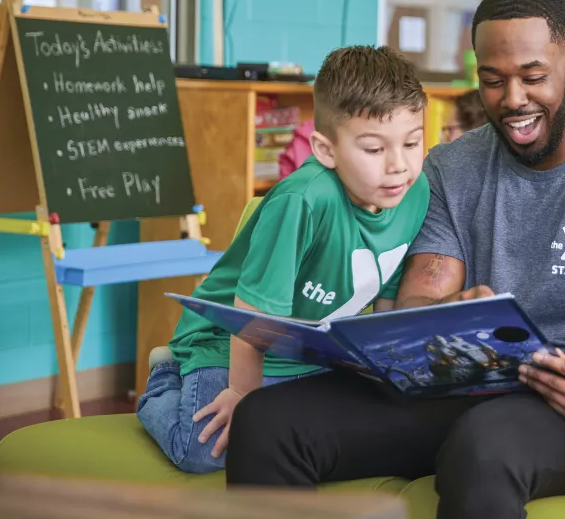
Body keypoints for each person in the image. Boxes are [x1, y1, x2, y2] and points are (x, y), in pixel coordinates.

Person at [224, 0, 565, 519]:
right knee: (269, 422)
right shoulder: (451, 167)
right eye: (493, 81)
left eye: (533, 77)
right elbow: (421, 294)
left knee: (485, 442)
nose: (512, 98)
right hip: (464, 389)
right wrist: (447, 314)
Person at [137, 46, 431, 473]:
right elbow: (250, 315)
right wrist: (242, 395)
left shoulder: (414, 192)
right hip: (226, 344)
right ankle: (166, 378)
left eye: (412, 142)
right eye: (373, 149)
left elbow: (385, 291)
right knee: (203, 451)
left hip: (306, 356)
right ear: (325, 150)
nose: (399, 166)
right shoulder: (303, 200)